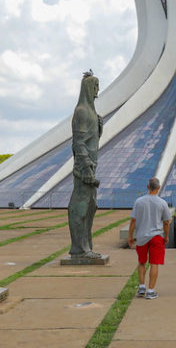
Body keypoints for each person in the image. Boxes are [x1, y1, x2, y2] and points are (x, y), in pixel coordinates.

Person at [68, 70, 104, 259]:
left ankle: (86, 246)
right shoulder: (82, 111)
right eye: (95, 85)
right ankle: (79, 248)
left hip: (92, 164)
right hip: (84, 169)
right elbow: (79, 143)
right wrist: (86, 166)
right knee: (81, 206)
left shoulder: (92, 112)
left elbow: (91, 139)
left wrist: (99, 126)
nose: (98, 89)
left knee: (92, 206)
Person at [128, 178, 172, 300]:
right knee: (154, 263)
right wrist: (166, 236)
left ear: (148, 187)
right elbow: (166, 222)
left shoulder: (138, 202)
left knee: (141, 262)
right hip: (156, 236)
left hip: (142, 236)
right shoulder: (162, 203)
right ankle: (151, 290)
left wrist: (130, 236)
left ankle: (142, 287)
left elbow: (133, 221)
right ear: (158, 188)